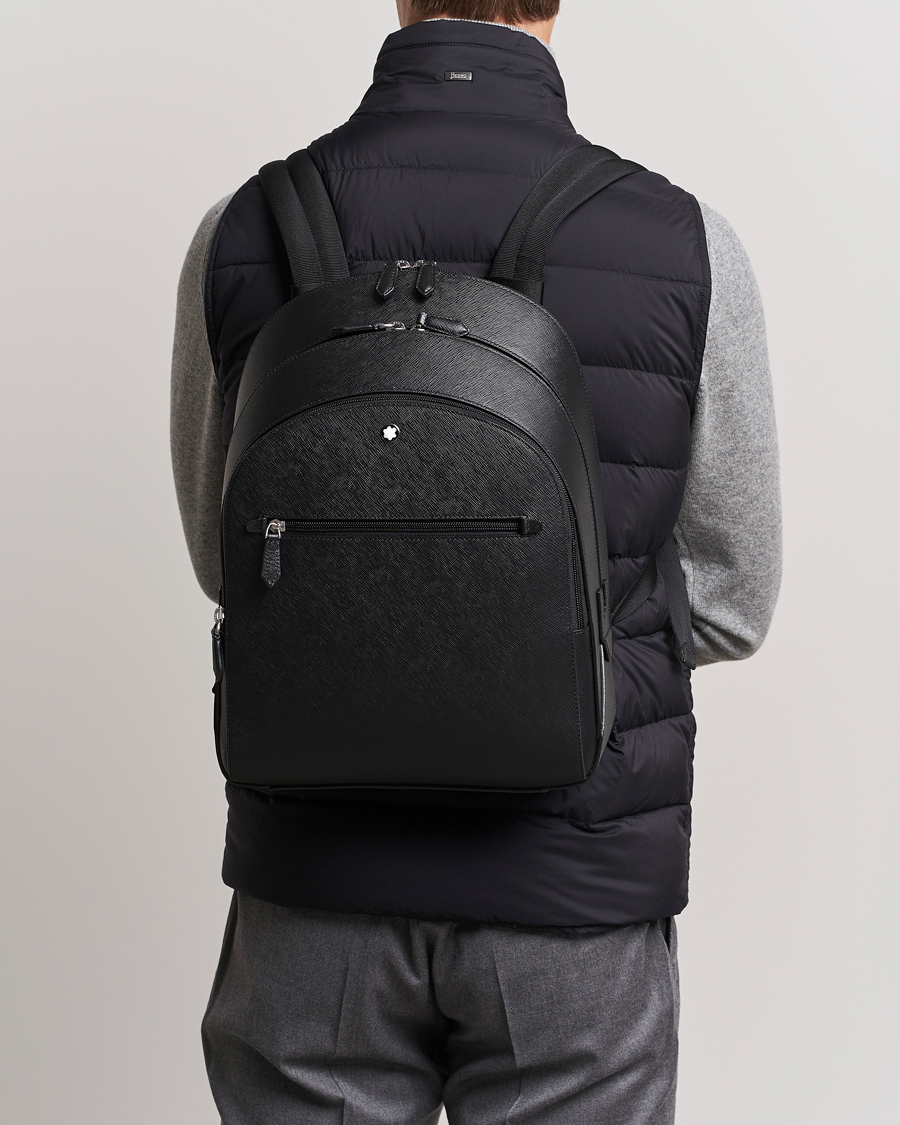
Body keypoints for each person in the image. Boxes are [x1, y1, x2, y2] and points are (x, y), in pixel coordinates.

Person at [171, 2, 781, 1121]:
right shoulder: (687, 243)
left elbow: (229, 564)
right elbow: (735, 601)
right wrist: (544, 646)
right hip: (575, 898)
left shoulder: (244, 228)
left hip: (312, 895)